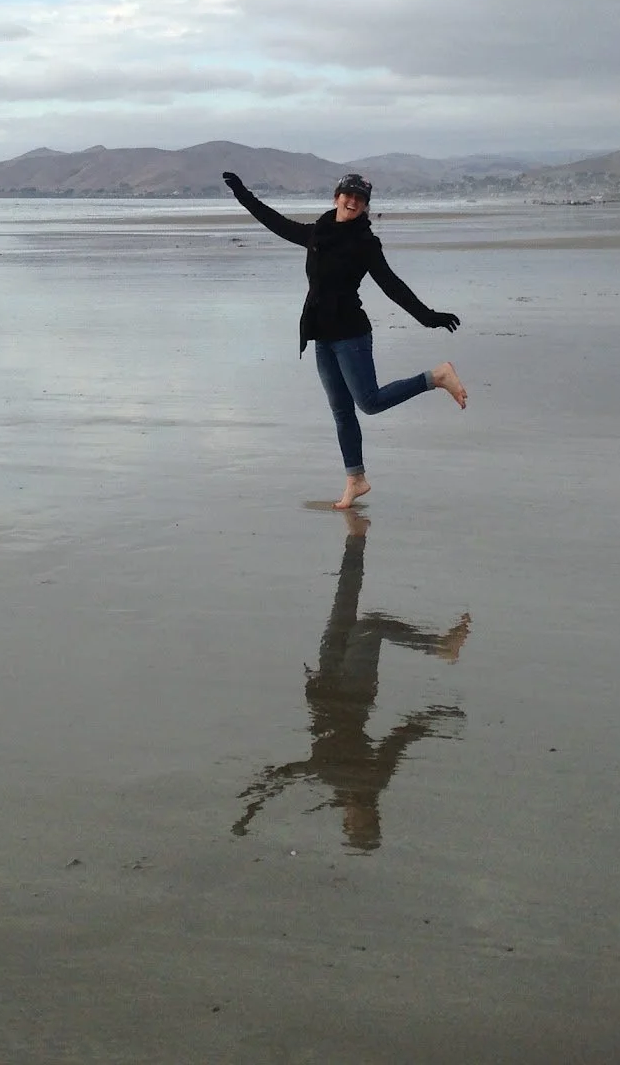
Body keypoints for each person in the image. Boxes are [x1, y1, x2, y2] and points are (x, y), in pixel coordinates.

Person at [222, 169, 466, 508]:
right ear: (336, 197)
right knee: (341, 412)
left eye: (360, 198)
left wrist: (428, 317)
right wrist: (242, 193)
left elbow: (391, 285)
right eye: (347, 194)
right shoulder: (318, 233)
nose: (352, 201)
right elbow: (274, 222)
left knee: (369, 401)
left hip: (351, 334)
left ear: (365, 206)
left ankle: (436, 377)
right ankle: (356, 479)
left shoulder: (364, 244)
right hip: (322, 335)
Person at [230, 511, 470, 851]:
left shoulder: (331, 783)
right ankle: (440, 647)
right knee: (370, 624)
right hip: (353, 692)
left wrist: (256, 801)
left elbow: (294, 771)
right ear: (374, 817)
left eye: (353, 826)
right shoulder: (373, 780)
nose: (355, 819)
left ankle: (356, 538)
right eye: (363, 824)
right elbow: (399, 738)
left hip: (326, 685)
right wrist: (436, 718)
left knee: (344, 601)